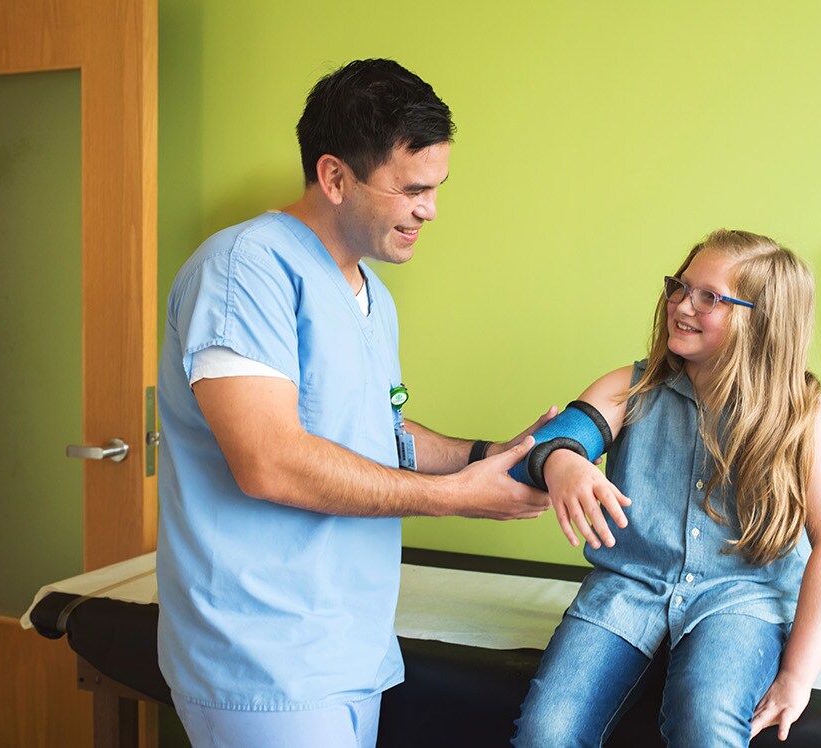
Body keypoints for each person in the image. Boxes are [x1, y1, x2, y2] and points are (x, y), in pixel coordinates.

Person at [155, 58, 554, 748]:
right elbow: (270, 462)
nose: (430, 209)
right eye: (412, 190)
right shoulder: (245, 269)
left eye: (437, 187)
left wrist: (492, 455)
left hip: (346, 648)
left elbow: (376, 431)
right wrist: (459, 496)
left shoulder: (371, 292)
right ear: (335, 176)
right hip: (265, 659)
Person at [511, 229, 821, 746]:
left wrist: (796, 677)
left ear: (759, 321)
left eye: (709, 297)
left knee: (706, 721)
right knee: (546, 731)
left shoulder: (799, 413)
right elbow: (542, 450)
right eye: (681, 286)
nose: (681, 305)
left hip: (742, 598)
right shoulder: (630, 386)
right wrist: (563, 463)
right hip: (630, 588)